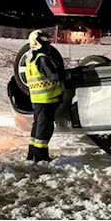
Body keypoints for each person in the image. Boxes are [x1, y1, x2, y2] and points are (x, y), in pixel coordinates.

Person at [25, 29, 68, 162]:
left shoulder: (30, 59)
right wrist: (69, 75)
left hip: (37, 99)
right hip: (47, 99)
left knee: (37, 126)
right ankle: (40, 158)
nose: (48, 44)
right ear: (37, 42)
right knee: (44, 129)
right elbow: (54, 76)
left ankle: (32, 154)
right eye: (45, 41)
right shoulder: (42, 58)